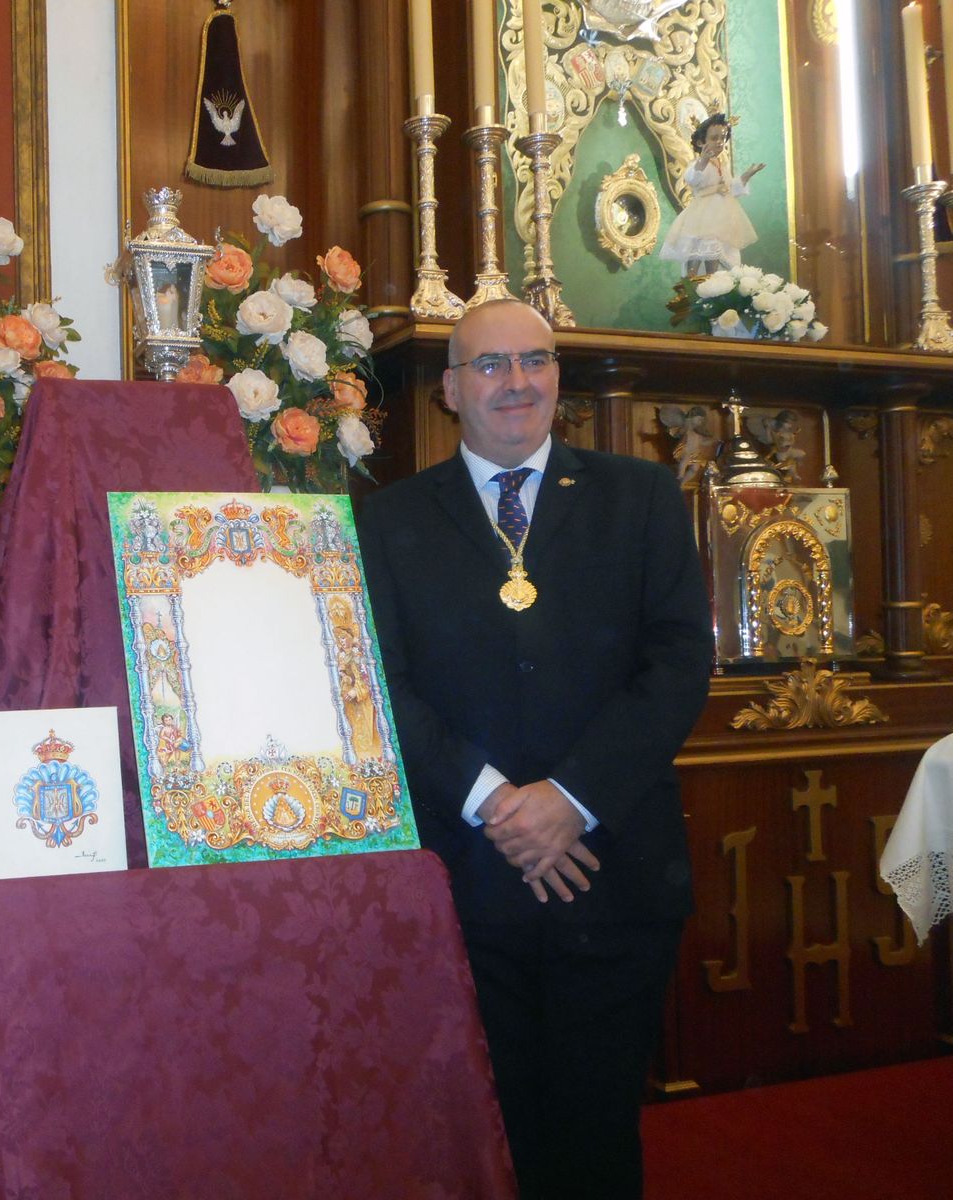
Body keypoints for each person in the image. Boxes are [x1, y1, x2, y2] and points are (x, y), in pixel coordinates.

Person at [357, 300, 712, 1199]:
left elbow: (678, 665)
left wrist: (570, 799)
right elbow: (377, 683)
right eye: (490, 365)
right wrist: (493, 802)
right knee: (487, 1134)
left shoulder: (639, 498)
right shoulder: (388, 520)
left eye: (535, 360)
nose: (516, 382)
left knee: (597, 1134)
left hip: (612, 870)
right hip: (464, 884)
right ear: (449, 389)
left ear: (558, 375)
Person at [658, 113, 765, 276]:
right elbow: (692, 178)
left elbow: (729, 189)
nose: (719, 142)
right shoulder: (699, 164)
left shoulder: (722, 164)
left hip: (722, 217)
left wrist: (746, 176)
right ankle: (694, 283)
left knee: (721, 253)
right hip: (703, 216)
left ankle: (716, 282)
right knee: (700, 248)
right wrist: (703, 161)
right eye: (714, 138)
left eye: (722, 138)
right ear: (701, 142)